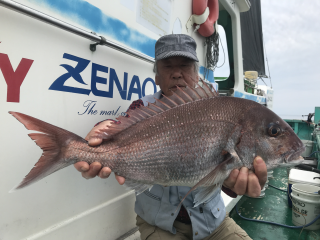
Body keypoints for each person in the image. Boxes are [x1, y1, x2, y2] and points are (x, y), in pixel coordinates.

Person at [74, 34, 267, 240]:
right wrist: (97, 136)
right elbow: (120, 128)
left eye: (185, 65)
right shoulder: (142, 108)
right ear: (156, 77)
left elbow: (226, 177)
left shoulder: (218, 111)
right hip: (160, 227)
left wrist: (232, 182)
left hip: (213, 223)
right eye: (167, 66)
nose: (177, 74)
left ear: (196, 74)